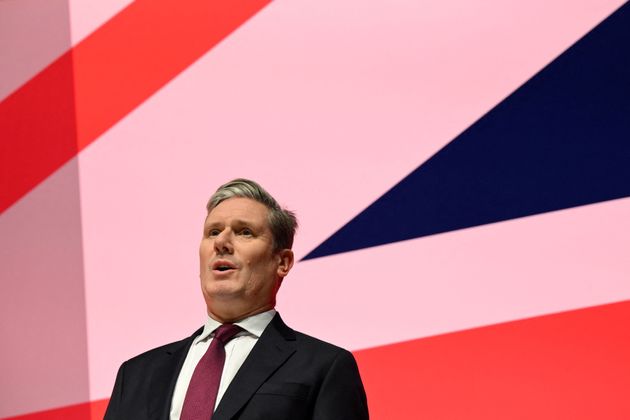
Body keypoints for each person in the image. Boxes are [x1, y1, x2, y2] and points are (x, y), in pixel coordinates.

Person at [104, 178, 369, 419]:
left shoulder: (325, 367)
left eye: (244, 232)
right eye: (213, 232)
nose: (222, 242)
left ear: (283, 262)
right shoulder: (136, 374)